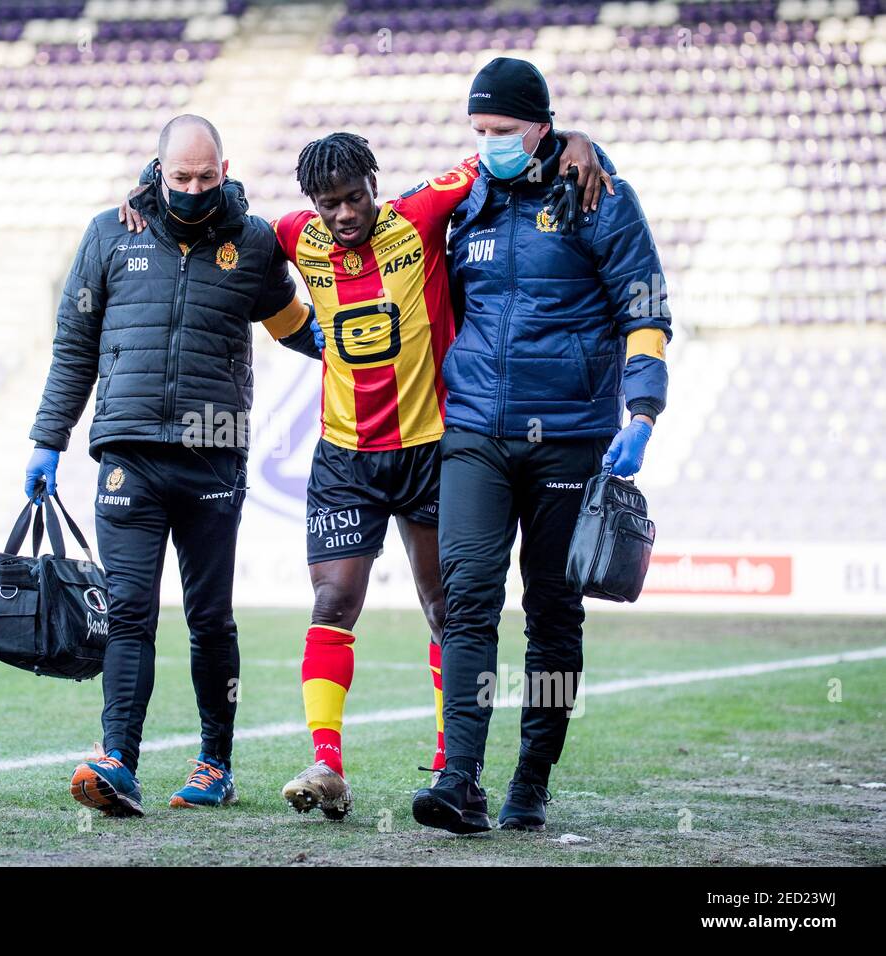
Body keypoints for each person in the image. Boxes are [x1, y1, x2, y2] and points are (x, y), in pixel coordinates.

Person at [117, 125, 610, 820]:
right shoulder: (294, 234)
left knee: (447, 611)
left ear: (376, 187)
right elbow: (219, 205)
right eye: (328, 204)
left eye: (353, 198)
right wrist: (144, 187)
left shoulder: (422, 213)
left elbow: (508, 153)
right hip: (345, 456)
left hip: (433, 450)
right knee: (331, 603)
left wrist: (576, 142)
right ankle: (327, 763)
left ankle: (450, 768)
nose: (342, 214)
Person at [26, 114, 319, 817]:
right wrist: (47, 440)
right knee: (127, 612)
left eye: (206, 177)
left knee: (209, 617)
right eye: (180, 177)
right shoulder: (109, 234)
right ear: (157, 171)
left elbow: (294, 327)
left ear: (226, 169)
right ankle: (117, 761)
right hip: (128, 451)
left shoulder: (252, 244)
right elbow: (74, 345)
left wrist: (370, 345)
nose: (193, 189)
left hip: (214, 456)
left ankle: (215, 764)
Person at [411, 58, 671, 835]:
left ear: (542, 125)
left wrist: (644, 411)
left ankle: (531, 778)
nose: (487, 143)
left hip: (569, 437)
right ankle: (458, 778)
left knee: (553, 612)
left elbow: (646, 302)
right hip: (475, 434)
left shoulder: (599, 195)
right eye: (479, 131)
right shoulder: (468, 199)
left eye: (502, 130)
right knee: (466, 603)